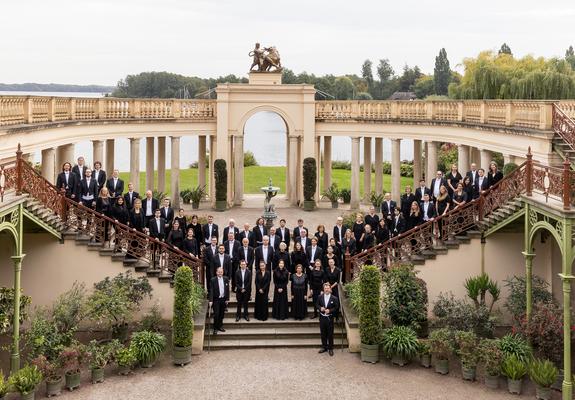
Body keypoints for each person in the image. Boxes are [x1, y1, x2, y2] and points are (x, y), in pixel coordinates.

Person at [317, 282, 340, 356]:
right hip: (322, 318)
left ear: (330, 289)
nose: (326, 290)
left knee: (330, 334)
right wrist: (320, 308)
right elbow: (317, 304)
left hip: (330, 318)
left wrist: (330, 310)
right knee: (323, 333)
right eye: (325, 288)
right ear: (323, 289)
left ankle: (330, 348)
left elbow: (336, 307)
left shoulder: (334, 298)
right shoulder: (320, 297)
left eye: (328, 288)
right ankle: (324, 347)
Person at [209, 266, 229, 334]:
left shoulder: (226, 279)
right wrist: (211, 300)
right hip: (216, 300)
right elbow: (211, 290)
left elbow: (227, 290)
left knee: (222, 314)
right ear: (216, 272)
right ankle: (215, 328)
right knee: (216, 314)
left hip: (223, 299)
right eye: (219, 272)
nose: (220, 273)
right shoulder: (213, 280)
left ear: (223, 272)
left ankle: (220, 326)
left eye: (221, 272)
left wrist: (227, 299)